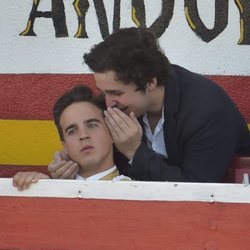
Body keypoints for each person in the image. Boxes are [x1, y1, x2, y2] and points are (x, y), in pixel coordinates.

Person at [48, 27, 250, 183]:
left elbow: (195, 193)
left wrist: (135, 152)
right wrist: (70, 161)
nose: (108, 103)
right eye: (103, 92)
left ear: (150, 83)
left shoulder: (208, 112)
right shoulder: (121, 104)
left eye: (116, 93)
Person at [13, 85, 130, 190]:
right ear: (65, 147)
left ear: (112, 133)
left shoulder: (132, 190)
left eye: (92, 125)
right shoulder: (46, 188)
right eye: (72, 131)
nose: (83, 135)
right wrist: (40, 188)